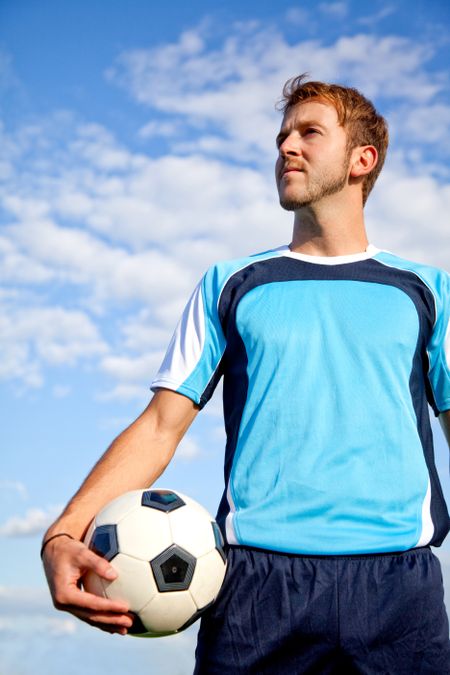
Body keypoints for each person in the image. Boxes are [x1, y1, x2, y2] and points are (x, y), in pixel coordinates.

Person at [41, 73, 450, 673]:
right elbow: (160, 427)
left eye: (310, 132)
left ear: (364, 159)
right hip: (258, 592)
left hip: (398, 593)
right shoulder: (231, 283)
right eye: (283, 135)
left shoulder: (427, 291)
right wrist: (63, 535)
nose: (287, 146)